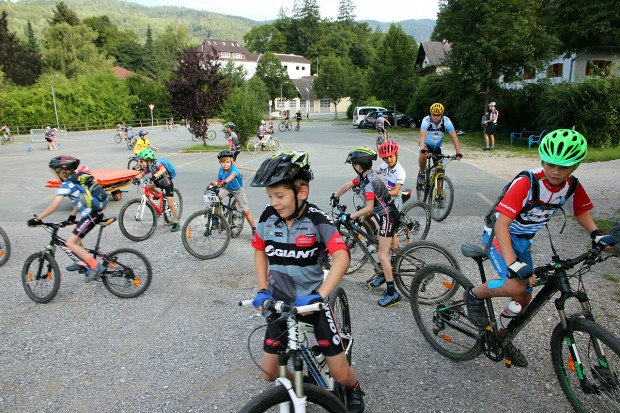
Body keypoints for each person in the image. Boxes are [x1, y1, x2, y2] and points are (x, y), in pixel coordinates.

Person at [463, 129, 612, 368]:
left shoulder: (570, 185)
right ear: (542, 159)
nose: (556, 171)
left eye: (564, 167)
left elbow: (580, 210)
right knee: (514, 283)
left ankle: (500, 336)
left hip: (523, 238)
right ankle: (474, 294)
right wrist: (512, 263)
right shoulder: (527, 182)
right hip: (500, 235)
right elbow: (502, 223)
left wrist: (596, 234)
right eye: (551, 164)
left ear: (575, 165)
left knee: (524, 295)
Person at [250, 151, 365, 413]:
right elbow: (259, 249)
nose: (274, 202)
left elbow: (341, 256)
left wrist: (321, 294)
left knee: (339, 373)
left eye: (279, 196)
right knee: (269, 373)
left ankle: (354, 387)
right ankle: (303, 386)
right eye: (270, 196)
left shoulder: (317, 219)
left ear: (301, 192)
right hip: (280, 305)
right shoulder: (268, 218)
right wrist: (261, 289)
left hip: (312, 303)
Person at [332, 146, 400, 307]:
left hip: (388, 216)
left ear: (357, 165)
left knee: (383, 254)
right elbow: (349, 184)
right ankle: (384, 273)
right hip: (387, 214)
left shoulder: (369, 182)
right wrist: (335, 195)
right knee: (376, 245)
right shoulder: (366, 175)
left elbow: (369, 208)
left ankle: (392, 293)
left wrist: (349, 216)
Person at [27, 156, 106, 282]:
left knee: (70, 242)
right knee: (76, 240)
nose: (54, 177)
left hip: (91, 215)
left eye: (55, 173)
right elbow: (78, 200)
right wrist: (72, 216)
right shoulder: (77, 181)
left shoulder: (66, 185)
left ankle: (95, 266)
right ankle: (83, 261)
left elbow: (54, 206)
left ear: (61, 172)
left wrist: (38, 219)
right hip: (94, 214)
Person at [209, 149, 257, 235]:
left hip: (238, 190)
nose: (225, 164)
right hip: (227, 187)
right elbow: (219, 181)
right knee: (215, 200)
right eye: (223, 162)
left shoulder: (234, 169)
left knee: (245, 211)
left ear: (231, 162)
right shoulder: (221, 170)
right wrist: (213, 184)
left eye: (227, 162)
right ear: (220, 163)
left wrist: (225, 181)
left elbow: (232, 175)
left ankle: (254, 230)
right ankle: (216, 218)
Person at [417, 103, 463, 190]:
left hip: (437, 147)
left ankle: (439, 194)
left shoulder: (446, 121)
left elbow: (454, 136)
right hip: (426, 144)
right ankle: (422, 172)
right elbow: (422, 135)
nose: (435, 117)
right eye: (433, 115)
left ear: (441, 115)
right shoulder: (426, 120)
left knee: (440, 170)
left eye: (438, 115)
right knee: (422, 155)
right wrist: (423, 149)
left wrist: (458, 152)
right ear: (431, 114)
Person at [134, 148, 180, 232]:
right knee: (147, 187)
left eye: (141, 161)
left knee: (170, 204)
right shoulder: (148, 167)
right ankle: (159, 195)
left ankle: (176, 222)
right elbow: (142, 173)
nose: (140, 163)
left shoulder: (157, 164)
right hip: (158, 182)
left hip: (167, 184)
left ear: (148, 160)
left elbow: (163, 169)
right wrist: (135, 178)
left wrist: (154, 176)